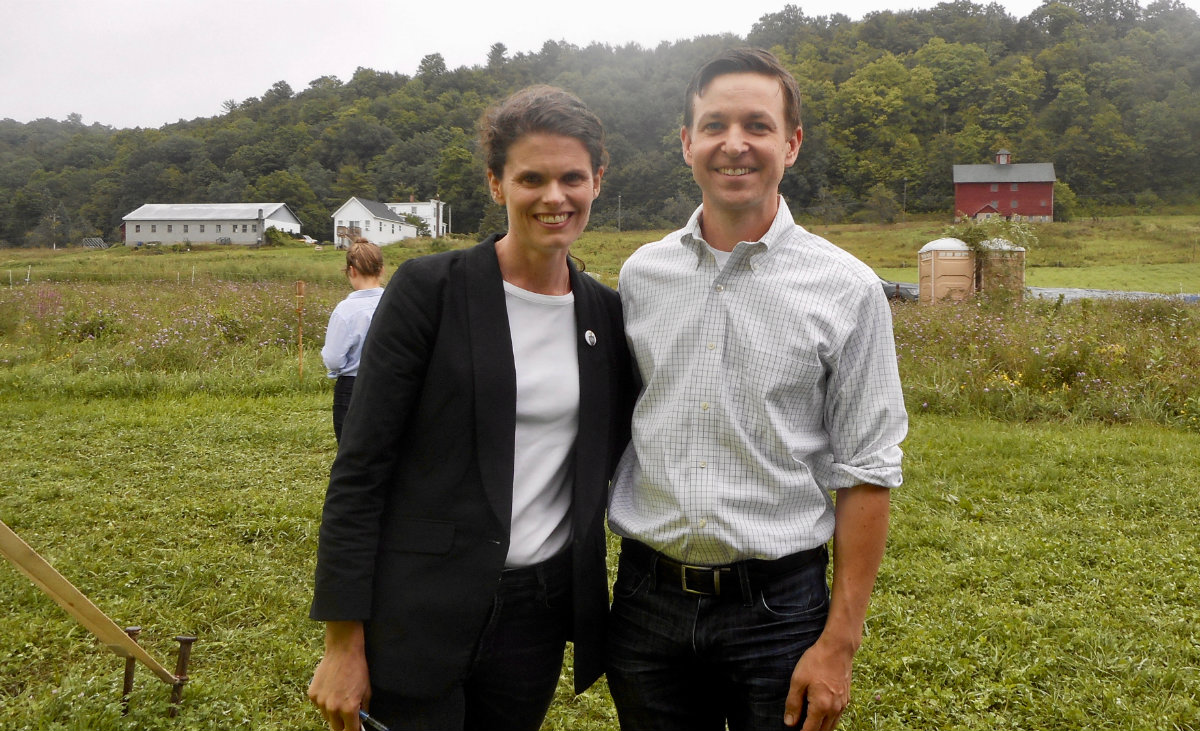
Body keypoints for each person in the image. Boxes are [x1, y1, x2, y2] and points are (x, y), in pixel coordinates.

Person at [307, 85, 633, 731]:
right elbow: (361, 469)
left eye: (572, 177)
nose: (554, 196)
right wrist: (342, 640)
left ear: (597, 180)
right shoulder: (429, 290)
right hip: (419, 605)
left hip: (538, 617)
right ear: (495, 182)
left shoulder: (605, 312)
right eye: (531, 178)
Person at [606, 48, 908, 731]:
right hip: (646, 601)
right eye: (714, 124)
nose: (734, 143)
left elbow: (867, 471)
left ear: (791, 144)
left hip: (779, 610)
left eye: (758, 125)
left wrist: (839, 644)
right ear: (687, 143)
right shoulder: (641, 275)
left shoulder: (848, 289)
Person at [321, 239, 384, 444]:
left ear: (351, 270)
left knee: (352, 448)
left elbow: (333, 359)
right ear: (381, 270)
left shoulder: (345, 310)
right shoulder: (396, 302)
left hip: (353, 387)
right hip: (392, 384)